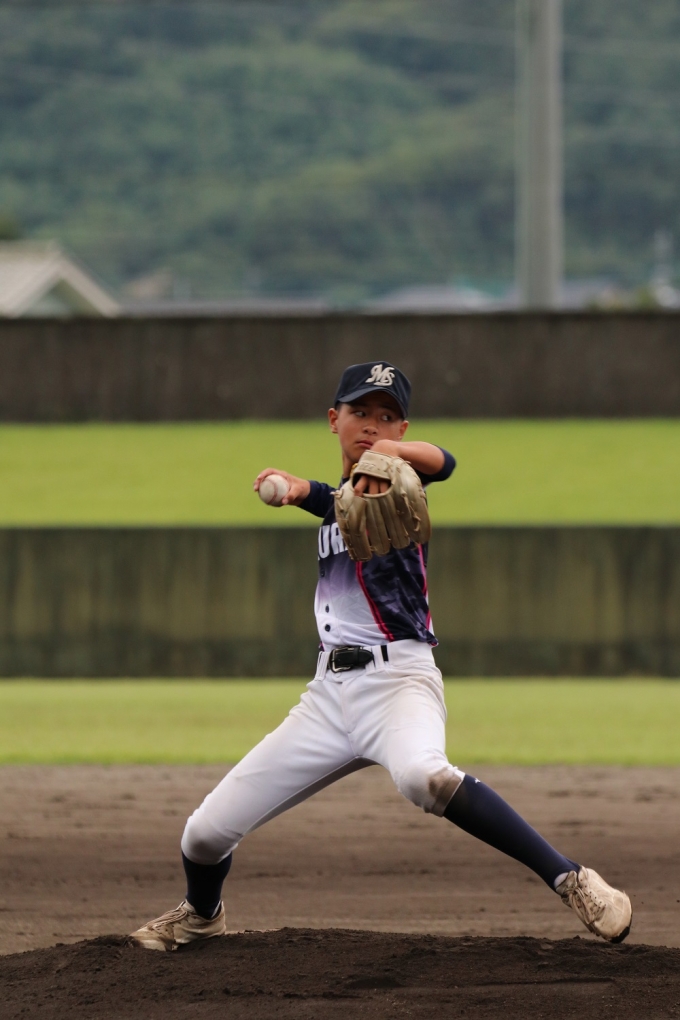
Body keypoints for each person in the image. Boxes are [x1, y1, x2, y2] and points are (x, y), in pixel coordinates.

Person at [131, 360, 632, 951]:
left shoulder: (401, 487)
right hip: (326, 699)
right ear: (333, 419)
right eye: (360, 411)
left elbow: (445, 461)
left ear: (403, 429)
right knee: (203, 834)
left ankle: (573, 879)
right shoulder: (344, 502)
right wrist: (296, 490)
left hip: (398, 683)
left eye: (387, 417)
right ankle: (201, 914)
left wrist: (394, 456)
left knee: (424, 776)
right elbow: (330, 499)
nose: (372, 425)